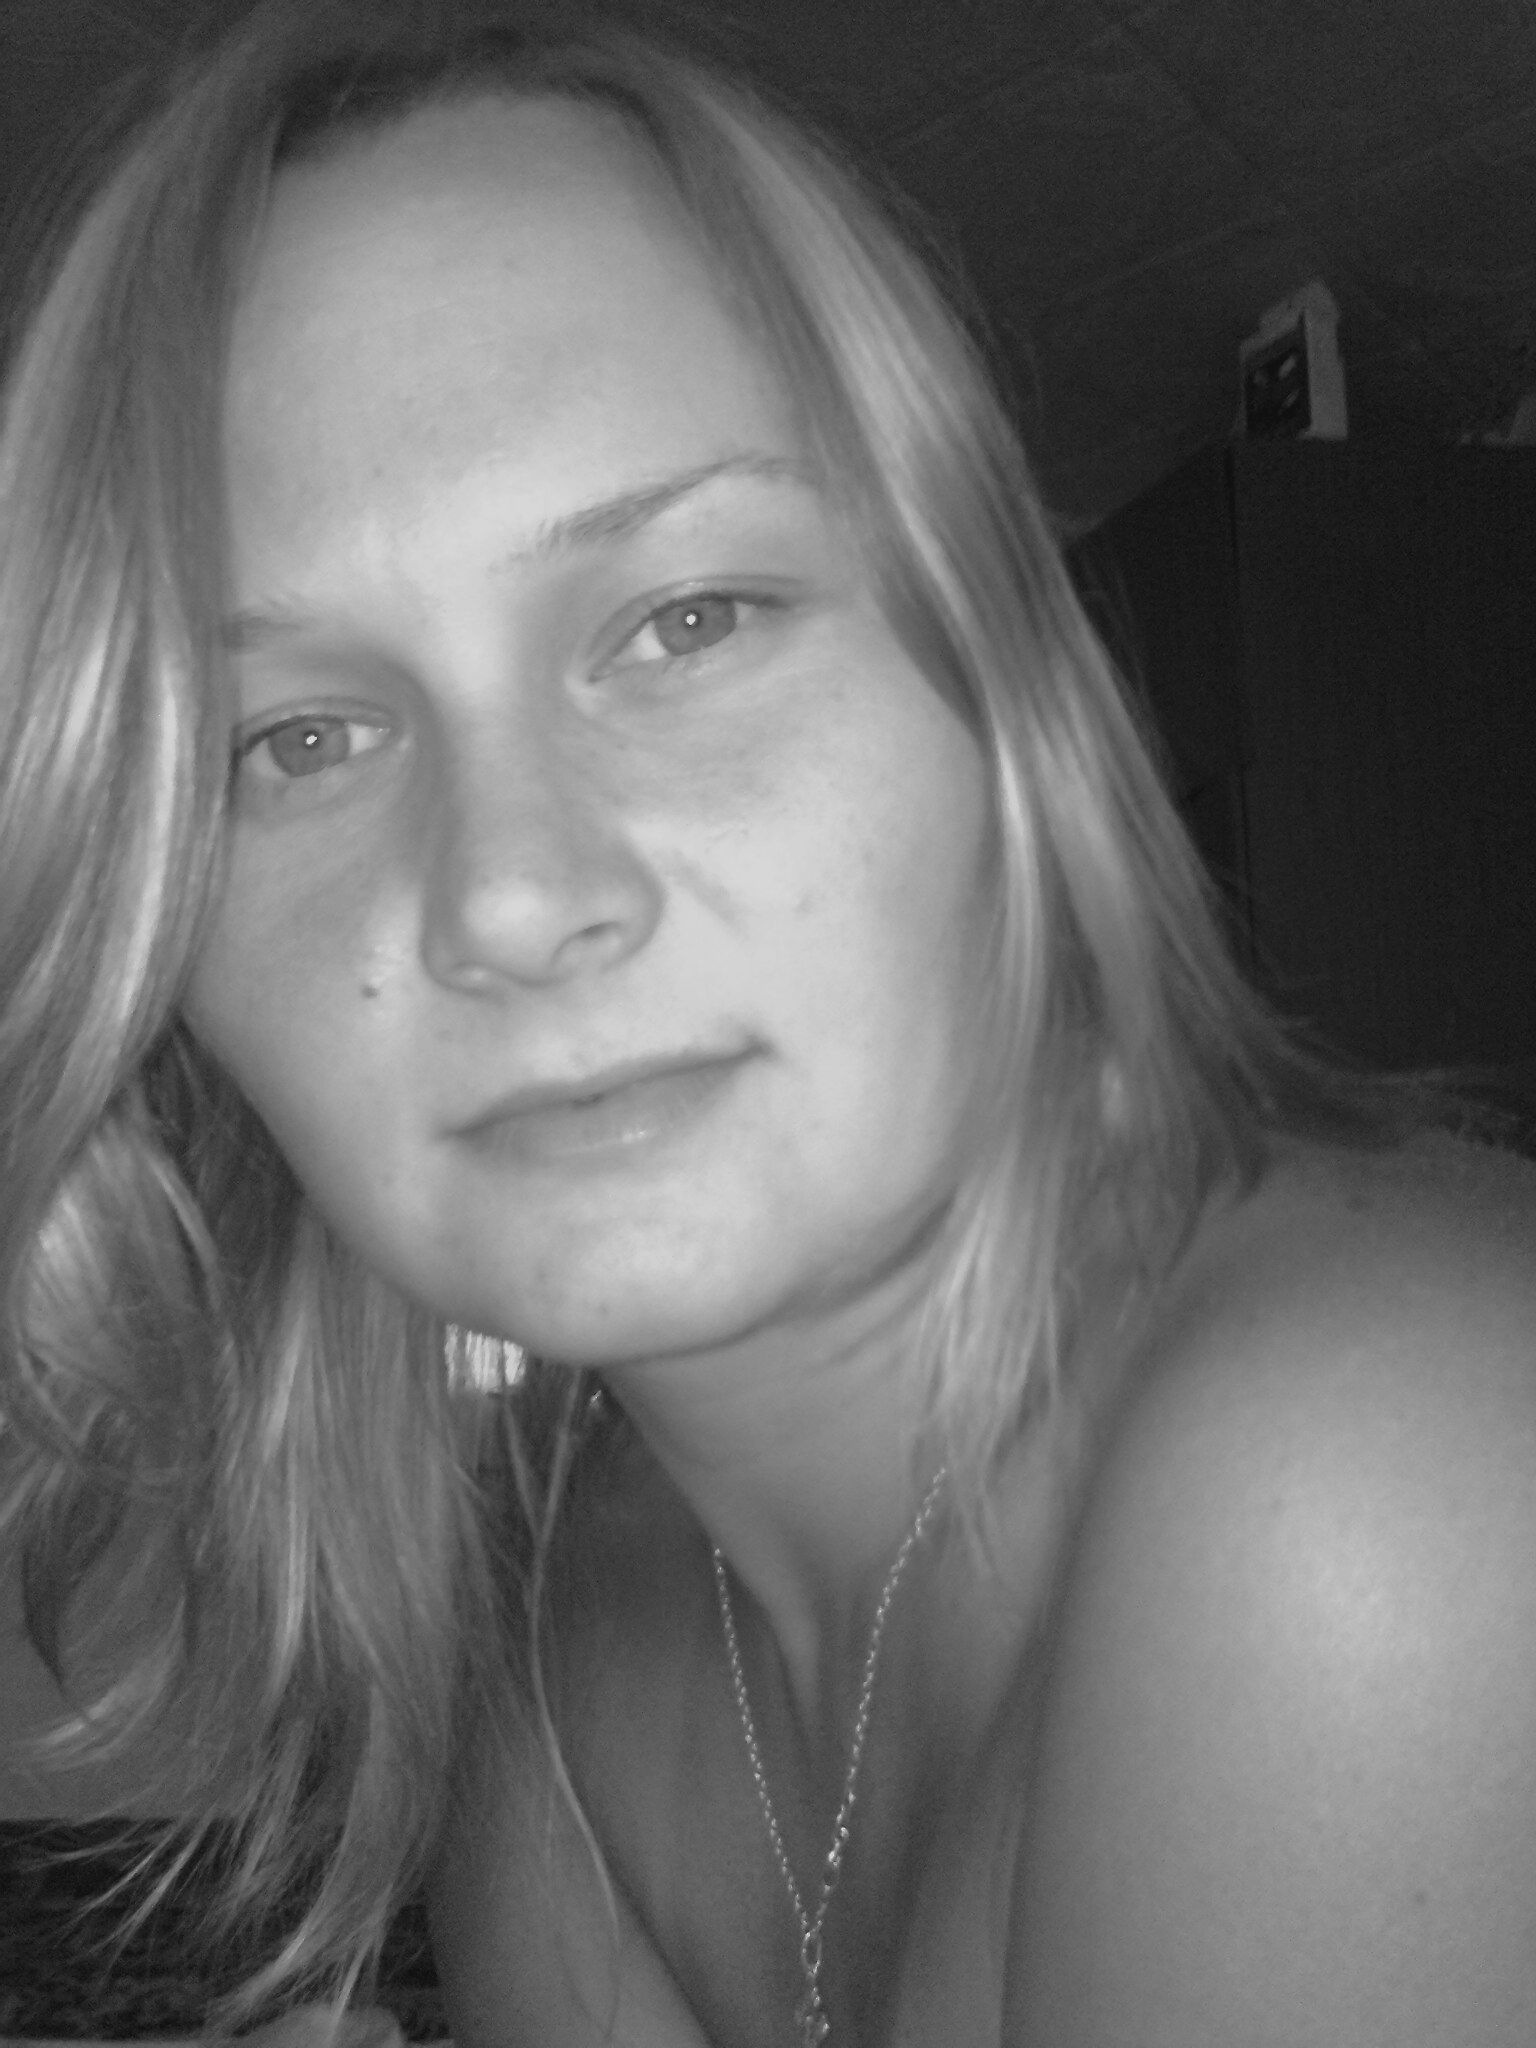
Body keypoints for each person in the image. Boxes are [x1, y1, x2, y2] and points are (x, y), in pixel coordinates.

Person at [1, 1, 1534, 2042]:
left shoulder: (1388, 1470)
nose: (508, 895)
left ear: (1004, 688)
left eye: (685, 621)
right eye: (295, 739)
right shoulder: (547, 1616)